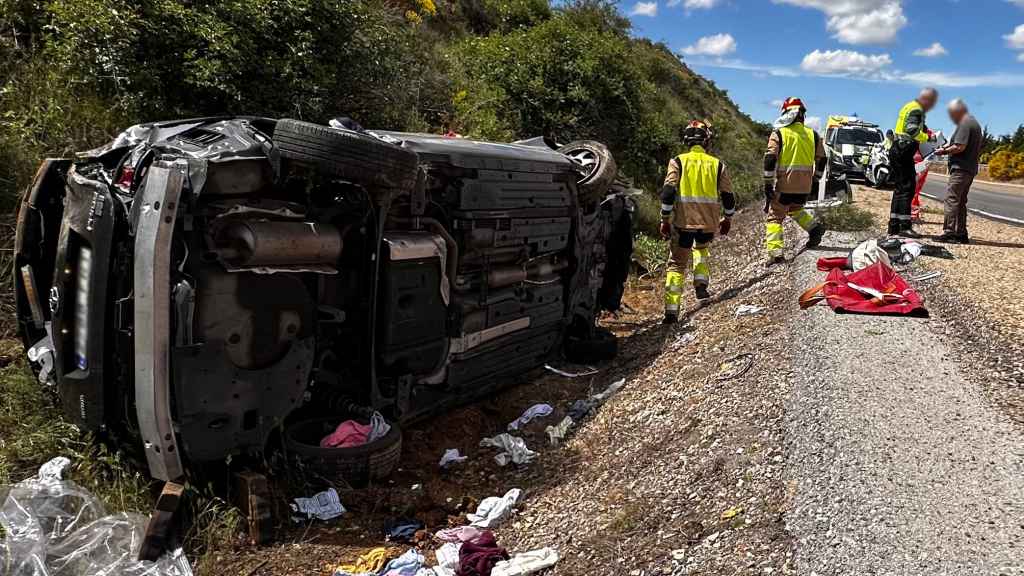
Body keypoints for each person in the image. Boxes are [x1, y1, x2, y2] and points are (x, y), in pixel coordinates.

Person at [659, 120, 735, 324]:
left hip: (684, 223)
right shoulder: (717, 164)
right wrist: (728, 218)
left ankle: (671, 312)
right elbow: (728, 196)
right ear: (706, 140)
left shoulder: (678, 161)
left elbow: (668, 193)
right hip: (708, 224)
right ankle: (701, 285)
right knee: (701, 249)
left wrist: (664, 219)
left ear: (686, 140)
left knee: (676, 266)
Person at [762, 97, 826, 265]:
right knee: (795, 209)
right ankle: (814, 228)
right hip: (805, 186)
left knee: (775, 218)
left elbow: (770, 159)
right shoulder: (813, 135)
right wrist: (816, 179)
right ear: (802, 115)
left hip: (785, 185)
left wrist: (768, 183)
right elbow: (822, 159)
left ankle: (776, 254)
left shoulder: (779, 133)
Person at [888, 88, 939, 238]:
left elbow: (915, 126)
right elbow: (912, 130)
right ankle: (904, 227)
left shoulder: (910, 106)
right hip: (904, 150)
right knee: (907, 189)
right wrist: (929, 138)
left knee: (900, 189)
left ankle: (894, 225)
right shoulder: (917, 110)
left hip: (898, 150)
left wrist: (925, 130)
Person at [934, 99, 982, 244]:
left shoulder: (964, 123)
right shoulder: (974, 123)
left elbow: (959, 146)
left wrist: (943, 151)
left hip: (961, 168)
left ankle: (950, 232)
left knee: (952, 199)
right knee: (960, 202)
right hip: (969, 168)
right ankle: (961, 233)